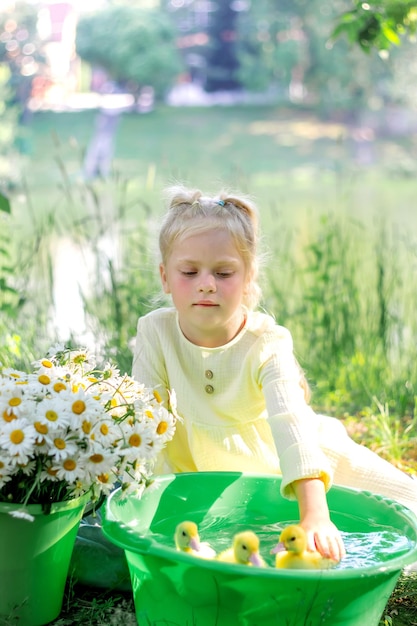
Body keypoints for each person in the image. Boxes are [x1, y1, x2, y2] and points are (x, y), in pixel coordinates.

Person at [132, 184, 417, 564]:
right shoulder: (155, 331)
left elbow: (291, 426)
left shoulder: (266, 341)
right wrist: (136, 493)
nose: (206, 283)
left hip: (292, 459)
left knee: (404, 508)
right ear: (165, 277)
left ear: (248, 278)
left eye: (223, 272)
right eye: (189, 271)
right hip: (199, 468)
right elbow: (142, 421)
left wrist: (315, 514)